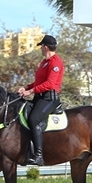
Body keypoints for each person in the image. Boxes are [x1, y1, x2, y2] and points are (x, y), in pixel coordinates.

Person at [18, 34, 64, 166]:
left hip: (50, 98)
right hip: (40, 97)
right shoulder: (44, 63)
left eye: (41, 47)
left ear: (45, 47)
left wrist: (30, 91)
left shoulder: (55, 62)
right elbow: (39, 82)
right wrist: (26, 87)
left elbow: (49, 84)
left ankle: (38, 155)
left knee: (34, 119)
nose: (41, 49)